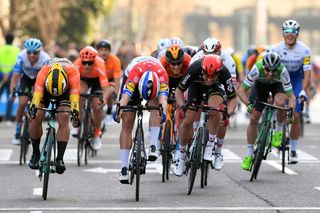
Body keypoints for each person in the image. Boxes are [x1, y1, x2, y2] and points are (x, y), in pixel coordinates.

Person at [173, 55, 237, 176]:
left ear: (218, 73)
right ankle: (180, 156)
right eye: (206, 75)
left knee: (215, 109)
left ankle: (210, 145)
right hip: (195, 86)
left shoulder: (224, 72)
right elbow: (179, 91)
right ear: (202, 70)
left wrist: (227, 113)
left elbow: (233, 99)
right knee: (188, 121)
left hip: (215, 89)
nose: (208, 79)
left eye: (213, 76)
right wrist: (182, 106)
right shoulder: (194, 68)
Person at [113, 56, 169, 184]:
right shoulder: (134, 74)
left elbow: (163, 101)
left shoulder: (163, 76)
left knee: (156, 106)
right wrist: (119, 110)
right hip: (134, 78)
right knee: (127, 121)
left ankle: (153, 144)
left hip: (154, 82)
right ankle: (124, 167)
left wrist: (163, 113)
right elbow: (125, 97)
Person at [237, 52, 296, 170]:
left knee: (280, 103)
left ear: (278, 69)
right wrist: (248, 104)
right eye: (267, 70)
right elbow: (241, 90)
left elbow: (291, 97)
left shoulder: (282, 72)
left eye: (273, 71)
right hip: (260, 87)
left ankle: (278, 131)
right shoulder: (257, 68)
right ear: (263, 67)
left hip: (277, 86)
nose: (270, 74)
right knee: (254, 118)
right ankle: (249, 154)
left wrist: (290, 112)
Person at [188, 37, 238, 171]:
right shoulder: (196, 58)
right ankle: (194, 136)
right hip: (200, 83)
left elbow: (232, 87)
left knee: (221, 115)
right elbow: (189, 83)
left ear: (220, 52)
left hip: (219, 84)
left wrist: (227, 109)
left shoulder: (228, 60)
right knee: (195, 105)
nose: (210, 57)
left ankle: (218, 152)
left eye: (214, 54)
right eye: (206, 54)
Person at [28, 58, 80, 174]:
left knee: (64, 116)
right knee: (35, 116)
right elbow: (36, 96)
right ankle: (36, 153)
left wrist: (75, 112)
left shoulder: (73, 72)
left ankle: (59, 159)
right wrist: (32, 109)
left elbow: (75, 98)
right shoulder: (43, 72)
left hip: (65, 93)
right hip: (45, 92)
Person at [271, 19, 311, 163]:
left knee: (295, 116)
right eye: (287, 32)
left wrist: (303, 91)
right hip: (280, 80)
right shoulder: (275, 49)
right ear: (283, 33)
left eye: (293, 32)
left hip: (295, 81)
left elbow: (307, 73)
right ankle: (278, 129)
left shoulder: (305, 50)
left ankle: (294, 150)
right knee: (280, 104)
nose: (290, 34)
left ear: (297, 34)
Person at [10, 38, 51, 145]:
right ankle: (18, 131)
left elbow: (47, 80)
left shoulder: (46, 59)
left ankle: (32, 128)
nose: (32, 55)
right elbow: (15, 76)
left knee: (37, 106)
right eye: (29, 52)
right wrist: (13, 92)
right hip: (26, 80)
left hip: (40, 80)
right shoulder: (21, 57)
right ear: (26, 51)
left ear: (40, 51)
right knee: (22, 103)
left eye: (35, 52)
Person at [73, 46, 111, 150]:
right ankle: (78, 121)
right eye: (84, 62)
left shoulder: (100, 65)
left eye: (90, 63)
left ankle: (97, 134)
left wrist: (104, 99)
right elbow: (72, 85)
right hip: (83, 80)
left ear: (94, 61)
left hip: (97, 82)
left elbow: (106, 89)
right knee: (79, 93)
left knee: (97, 106)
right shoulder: (76, 65)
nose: (86, 65)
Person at [96, 40, 122, 126]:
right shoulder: (94, 58)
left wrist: (115, 92)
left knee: (110, 91)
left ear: (109, 51)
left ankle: (109, 111)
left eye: (106, 50)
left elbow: (117, 79)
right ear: (97, 51)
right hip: (97, 79)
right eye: (101, 50)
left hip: (110, 79)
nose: (103, 52)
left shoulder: (115, 60)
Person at [0, 33, 20, 121]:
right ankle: (8, 119)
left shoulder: (1, 49)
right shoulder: (16, 50)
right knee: (10, 97)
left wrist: (3, 74)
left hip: (1, 76)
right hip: (11, 77)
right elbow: (17, 64)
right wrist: (9, 74)